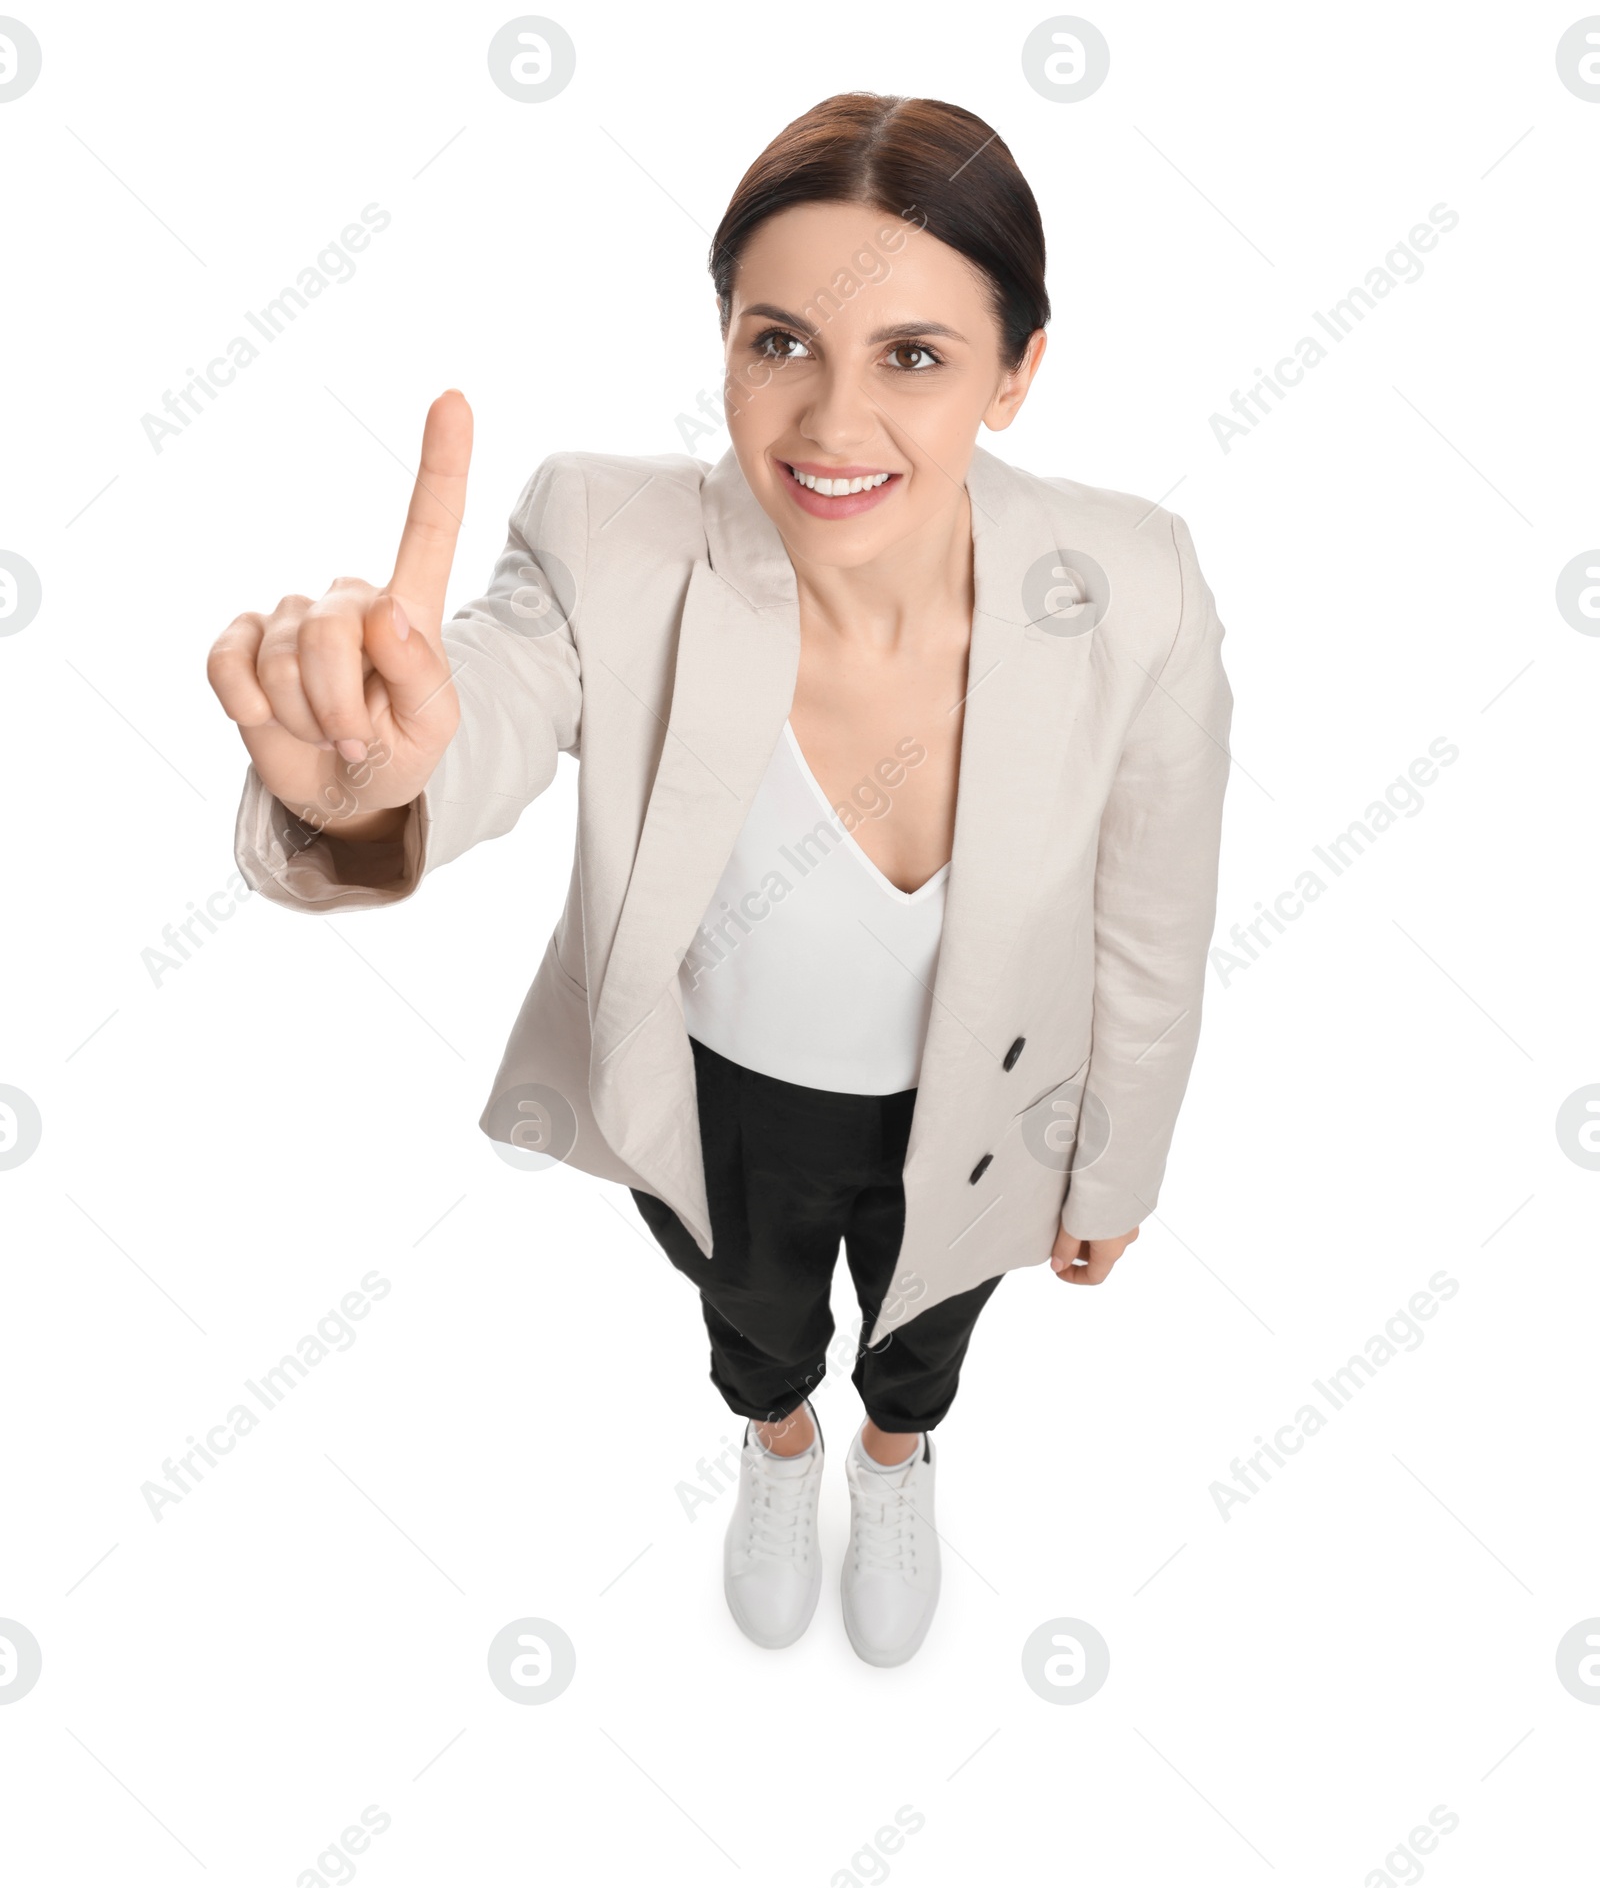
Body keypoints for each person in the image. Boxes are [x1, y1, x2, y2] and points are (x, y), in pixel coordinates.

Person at [208, 93, 1233, 1669]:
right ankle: (777, 1449)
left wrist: (1118, 1169)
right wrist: (361, 785)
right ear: (728, 341)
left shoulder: (1134, 584)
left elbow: (1155, 919)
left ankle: (895, 1460)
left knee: (930, 1325)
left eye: (914, 356)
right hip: (720, 1091)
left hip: (986, 1103)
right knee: (754, 1323)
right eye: (780, 344)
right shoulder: (611, 536)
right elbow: (476, 711)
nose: (829, 424)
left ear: (1016, 373)